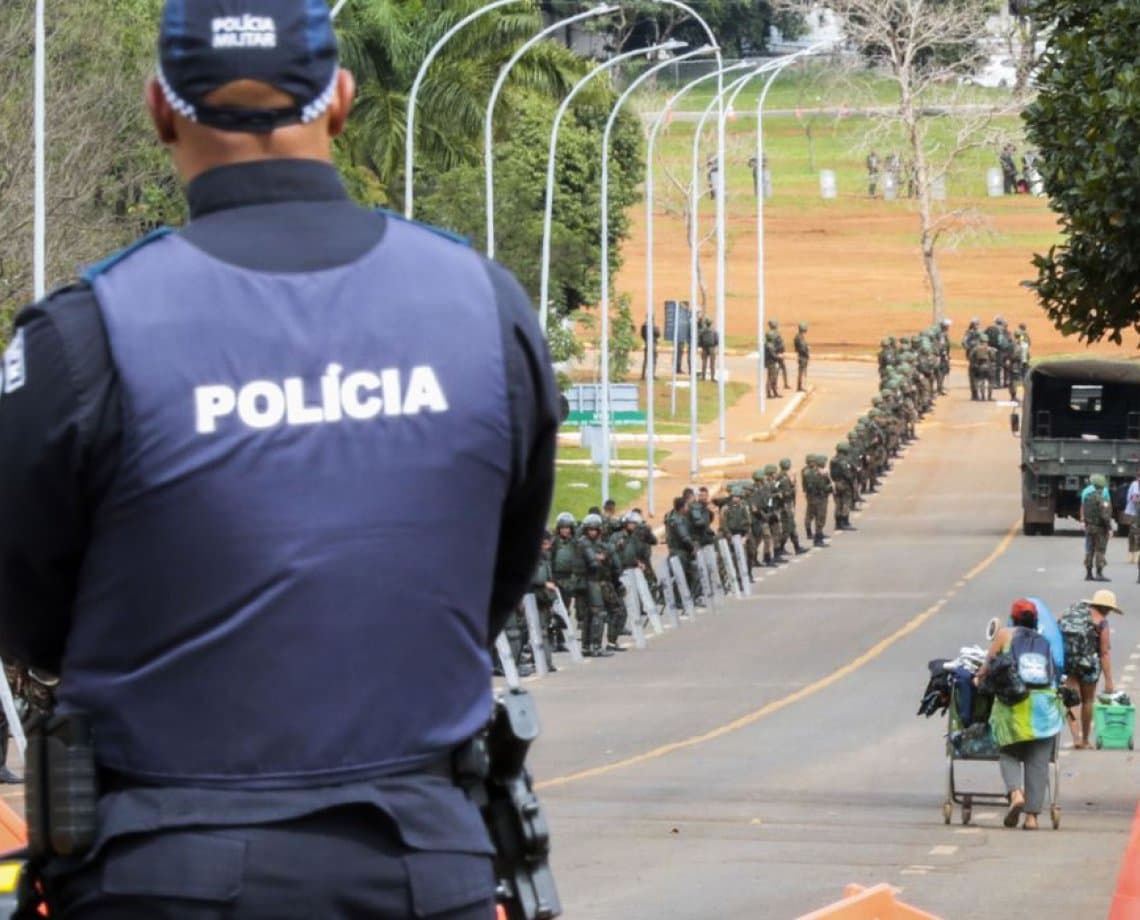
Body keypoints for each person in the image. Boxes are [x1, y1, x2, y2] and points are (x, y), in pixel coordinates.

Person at [0, 2, 560, 912]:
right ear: (340, 101)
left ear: (159, 109)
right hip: (424, 864)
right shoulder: (484, 309)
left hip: (165, 870)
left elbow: (25, 615)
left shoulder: (85, 337)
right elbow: (496, 573)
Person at [974, 599, 1063, 831]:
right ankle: (1032, 818)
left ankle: (1015, 794)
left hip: (1014, 706)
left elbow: (987, 666)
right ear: (1035, 620)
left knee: (1008, 751)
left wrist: (978, 678)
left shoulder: (1004, 634)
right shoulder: (1044, 641)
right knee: (1038, 762)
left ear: (1013, 618)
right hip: (1045, 708)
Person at [1060, 589, 1123, 749]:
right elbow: (1104, 652)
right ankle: (1085, 740)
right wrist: (1109, 680)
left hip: (1071, 662)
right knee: (1088, 701)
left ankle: (1075, 738)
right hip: (1089, 665)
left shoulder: (1073, 612)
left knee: (1071, 700)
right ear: (1106, 607)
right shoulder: (1101, 622)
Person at [1081, 474, 1114, 581]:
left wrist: (1083, 522)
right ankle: (1099, 573)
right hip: (1099, 528)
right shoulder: (1103, 497)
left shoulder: (1087, 496)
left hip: (1089, 527)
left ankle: (1088, 574)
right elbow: (1105, 516)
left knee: (1089, 550)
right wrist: (1109, 528)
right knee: (1100, 550)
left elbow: (1083, 511)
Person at [1125, 469, 1140, 570]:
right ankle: (1133, 555)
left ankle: (1134, 555)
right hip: (1135, 513)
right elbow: (1134, 498)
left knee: (1134, 534)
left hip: (1136, 512)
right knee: (1134, 534)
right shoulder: (1135, 484)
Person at [698, 314, 718, 382]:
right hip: (712, 348)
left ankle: (703, 377)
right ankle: (712, 377)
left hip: (704, 348)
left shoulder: (702, 331)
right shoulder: (714, 330)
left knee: (704, 363)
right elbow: (716, 340)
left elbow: (699, 340)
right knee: (712, 363)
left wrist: (701, 346)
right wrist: (714, 345)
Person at [793, 322, 810, 391]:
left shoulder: (798, 336)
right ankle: (800, 387)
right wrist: (807, 349)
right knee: (802, 372)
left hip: (801, 355)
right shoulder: (799, 337)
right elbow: (802, 348)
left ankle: (800, 386)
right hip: (802, 356)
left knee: (802, 371)